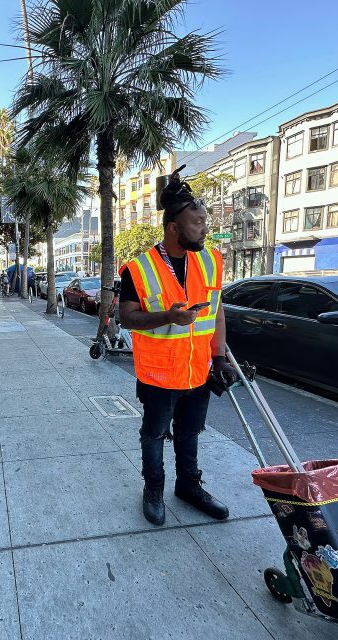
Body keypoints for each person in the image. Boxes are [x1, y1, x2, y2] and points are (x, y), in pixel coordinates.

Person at [118, 165, 238, 525]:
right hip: (158, 375)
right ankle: (154, 488)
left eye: (204, 221)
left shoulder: (211, 260)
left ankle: (189, 486)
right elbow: (127, 317)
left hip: (198, 371)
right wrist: (167, 318)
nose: (205, 227)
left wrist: (219, 359)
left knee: (190, 433)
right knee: (154, 435)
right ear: (173, 227)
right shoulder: (137, 269)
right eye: (197, 222)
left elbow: (216, 314)